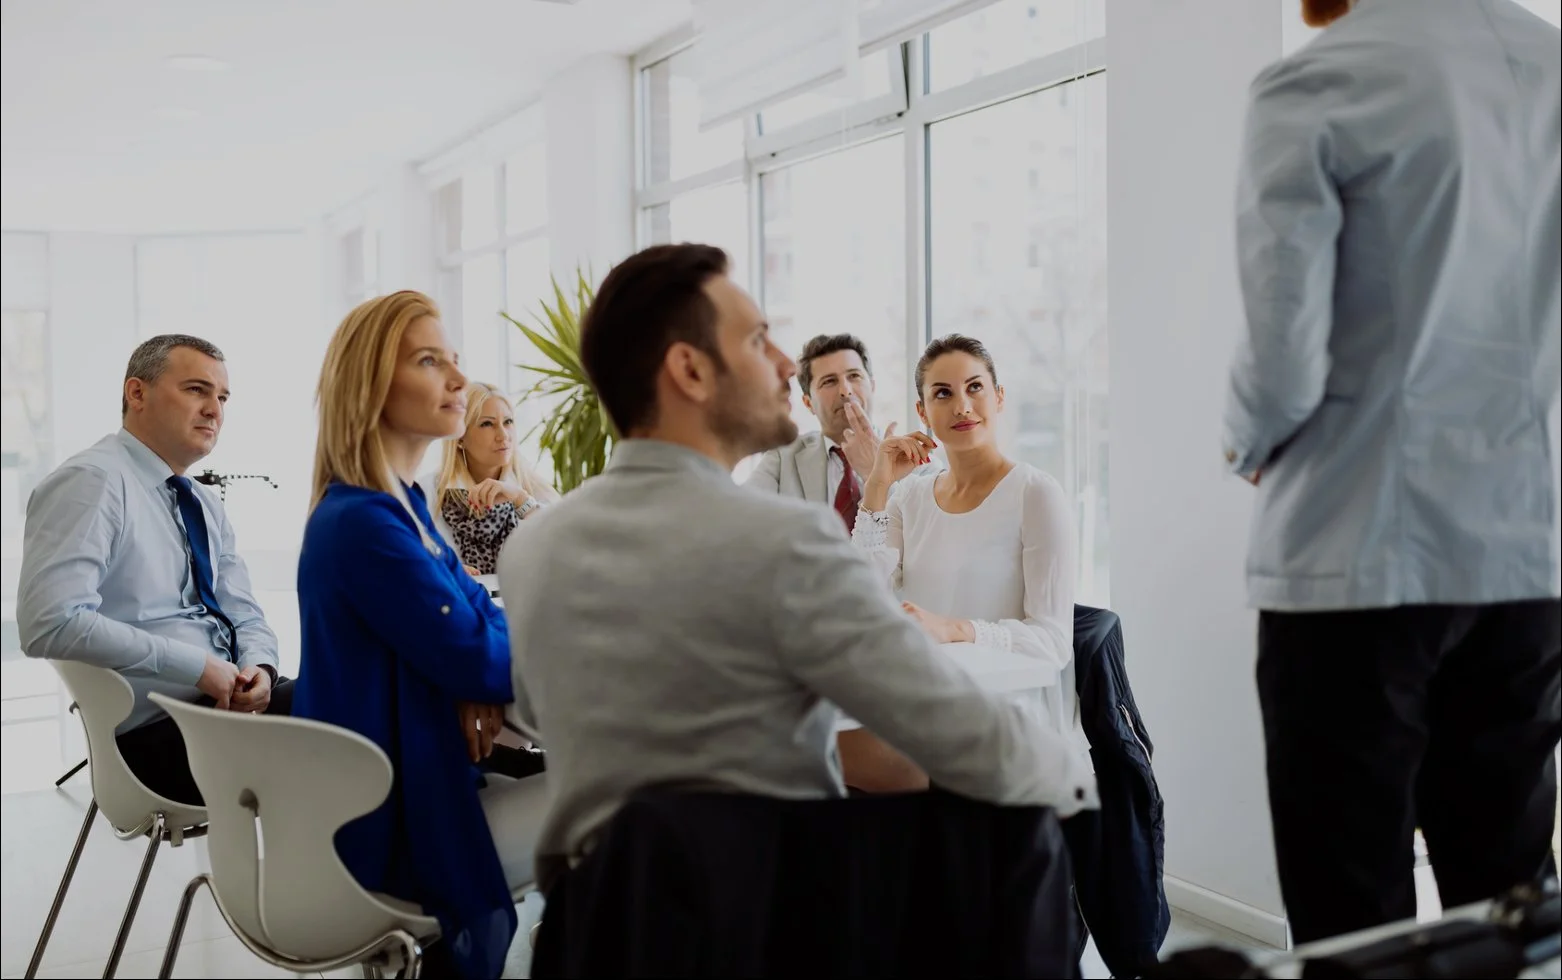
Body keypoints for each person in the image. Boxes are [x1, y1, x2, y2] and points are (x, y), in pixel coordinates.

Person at [496, 243, 1097, 892]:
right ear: (690, 370)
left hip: (593, 908)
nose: (788, 367)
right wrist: (1074, 786)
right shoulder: (785, 540)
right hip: (756, 906)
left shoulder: (531, 549)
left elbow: (540, 718)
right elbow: (942, 722)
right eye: (759, 340)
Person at [1223, 0, 1561, 944]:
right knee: (1509, 907)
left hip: (1359, 553)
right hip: (1531, 559)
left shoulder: (1321, 79)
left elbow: (1283, 359)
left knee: (1353, 917)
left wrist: (1246, 442)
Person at [293, 291, 547, 979]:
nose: (459, 379)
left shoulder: (401, 508)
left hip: (408, 782)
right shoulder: (364, 524)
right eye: (430, 361)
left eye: (454, 360)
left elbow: (481, 617)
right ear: (370, 385)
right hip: (391, 822)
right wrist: (469, 673)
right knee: (626, 805)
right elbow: (477, 652)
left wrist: (470, 672)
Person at [18, 334, 286, 806]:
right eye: (196, 390)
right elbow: (49, 622)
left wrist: (260, 667)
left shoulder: (202, 503)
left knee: (372, 703)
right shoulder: (92, 482)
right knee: (370, 716)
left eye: (222, 398)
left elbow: (243, 611)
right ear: (137, 393)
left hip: (225, 712)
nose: (214, 410)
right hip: (160, 736)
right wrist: (197, 667)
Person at [850, 334, 1090, 793]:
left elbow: (1054, 642)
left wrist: (956, 629)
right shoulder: (909, 495)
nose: (962, 406)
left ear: (998, 397)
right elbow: (857, 597)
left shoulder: (1035, 493)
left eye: (975, 387)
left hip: (1011, 715)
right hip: (931, 703)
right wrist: (878, 486)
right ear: (922, 411)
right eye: (942, 393)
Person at [417, 381, 557, 577]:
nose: (503, 435)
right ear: (460, 437)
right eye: (487, 424)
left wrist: (522, 501)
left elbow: (565, 554)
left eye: (508, 422)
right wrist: (443, 570)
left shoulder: (536, 490)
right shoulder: (425, 494)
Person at [744, 332, 882, 519]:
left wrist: (876, 476)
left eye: (854, 376)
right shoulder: (781, 458)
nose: (845, 391)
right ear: (808, 403)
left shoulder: (911, 458)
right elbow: (739, 517)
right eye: (829, 381)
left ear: (872, 387)